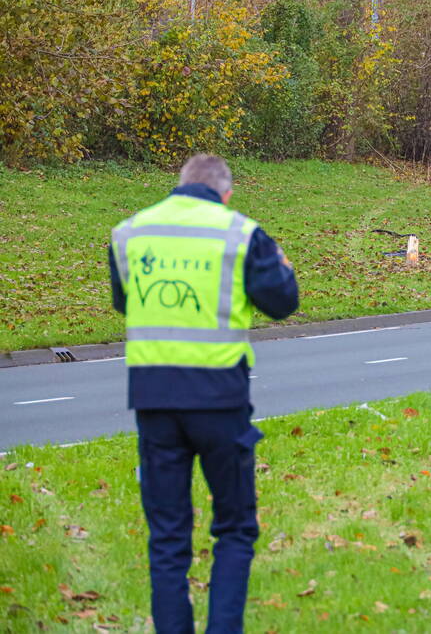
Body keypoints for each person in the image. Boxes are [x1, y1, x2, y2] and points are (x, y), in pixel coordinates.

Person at [108, 154, 299, 633]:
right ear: (225, 193)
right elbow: (282, 302)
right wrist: (283, 266)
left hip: (153, 401)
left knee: (168, 537)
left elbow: (123, 301)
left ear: (181, 184)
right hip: (219, 399)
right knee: (234, 528)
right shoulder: (240, 232)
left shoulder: (131, 231)